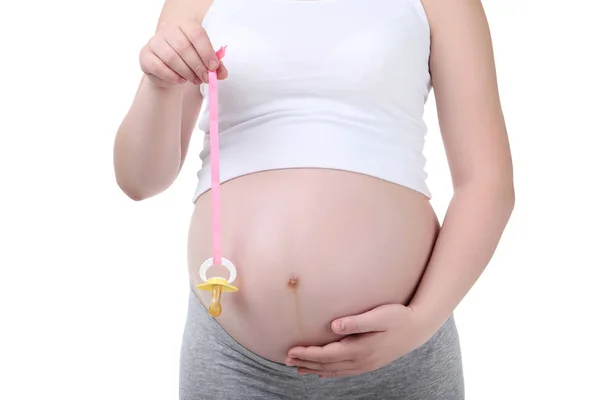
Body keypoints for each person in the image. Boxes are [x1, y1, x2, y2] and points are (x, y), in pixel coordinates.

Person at [113, 0, 514, 398]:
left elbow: (487, 183)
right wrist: (158, 86)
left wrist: (422, 321)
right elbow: (140, 181)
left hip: (399, 357)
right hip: (233, 361)